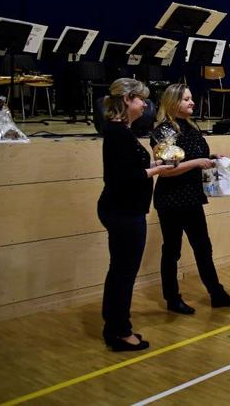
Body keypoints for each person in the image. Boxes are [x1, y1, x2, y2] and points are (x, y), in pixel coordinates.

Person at [150, 83, 230, 315]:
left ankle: (216, 294)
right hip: (171, 199)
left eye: (191, 98)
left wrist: (210, 158)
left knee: (203, 247)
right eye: (186, 99)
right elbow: (165, 170)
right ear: (173, 103)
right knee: (172, 251)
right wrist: (196, 163)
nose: (192, 102)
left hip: (191, 197)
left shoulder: (191, 125)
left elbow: (191, 156)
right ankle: (172, 298)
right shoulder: (164, 131)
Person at [98, 78, 173, 351]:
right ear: (127, 99)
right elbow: (126, 177)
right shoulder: (118, 133)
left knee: (119, 271)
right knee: (124, 273)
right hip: (124, 211)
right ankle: (120, 332)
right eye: (141, 99)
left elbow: (130, 166)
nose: (145, 105)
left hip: (123, 209)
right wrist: (157, 170)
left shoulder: (121, 131)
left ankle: (115, 327)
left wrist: (156, 162)